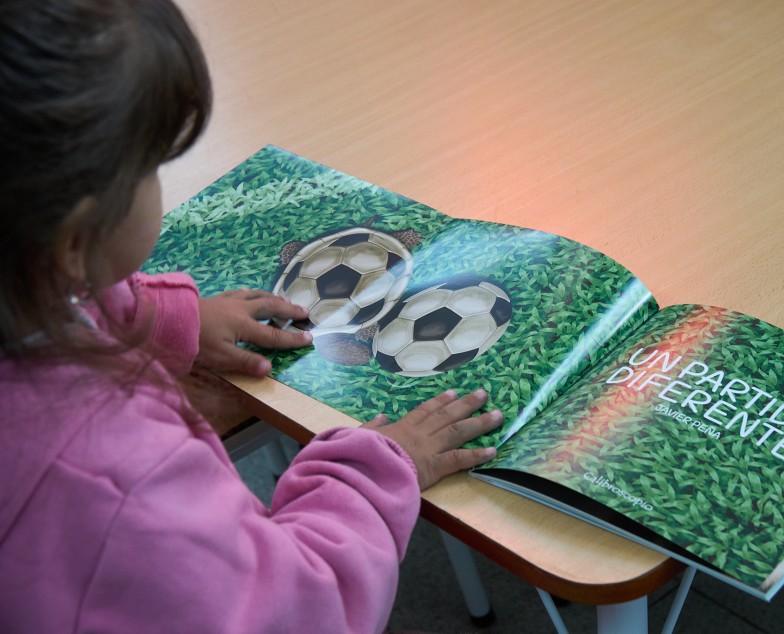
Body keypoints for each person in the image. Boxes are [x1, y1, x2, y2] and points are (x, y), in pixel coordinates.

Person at [0, 1, 502, 632]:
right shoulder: (117, 476)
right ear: (75, 239)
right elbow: (298, 611)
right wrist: (375, 471)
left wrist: (153, 318)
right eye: (152, 167)